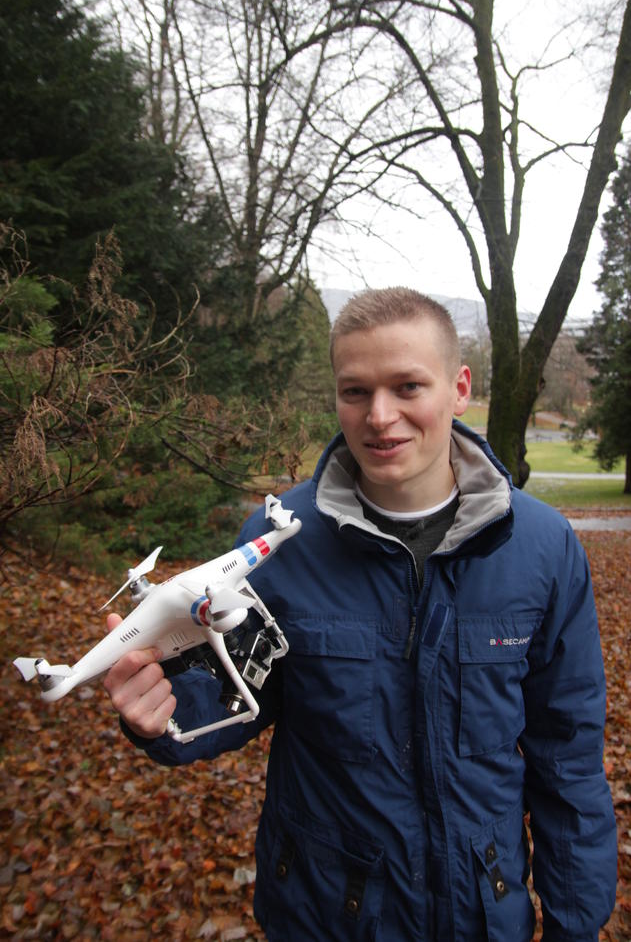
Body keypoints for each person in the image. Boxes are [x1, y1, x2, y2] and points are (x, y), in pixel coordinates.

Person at [104, 287, 617, 941]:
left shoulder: (541, 548)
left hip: (481, 914)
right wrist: (164, 711)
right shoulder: (278, 540)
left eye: (407, 386)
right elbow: (238, 692)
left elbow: (567, 756)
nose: (379, 415)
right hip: (324, 914)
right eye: (355, 391)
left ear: (459, 388)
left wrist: (576, 923)